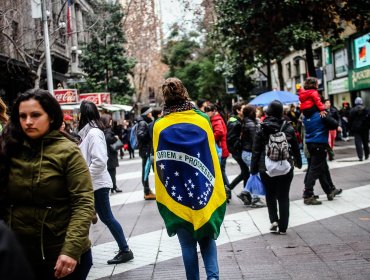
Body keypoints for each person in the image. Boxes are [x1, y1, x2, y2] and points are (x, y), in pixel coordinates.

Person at [0, 89, 94, 279]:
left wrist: (70, 250)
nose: (28, 121)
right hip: (20, 255)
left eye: (35, 115)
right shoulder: (8, 148)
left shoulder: (68, 151)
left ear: (51, 117)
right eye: (22, 116)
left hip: (61, 257)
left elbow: (83, 203)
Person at [153, 77, 226, 280]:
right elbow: (211, 156)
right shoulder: (202, 120)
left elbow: (159, 163)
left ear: (165, 98)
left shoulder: (158, 126)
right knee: (207, 239)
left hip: (177, 194)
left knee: (187, 245)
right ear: (184, 93)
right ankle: (213, 278)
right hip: (203, 190)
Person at [78, 101, 134, 264]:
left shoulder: (93, 133)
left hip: (97, 184)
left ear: (83, 114)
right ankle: (83, 251)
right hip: (95, 183)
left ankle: (125, 250)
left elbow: (100, 161)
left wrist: (84, 177)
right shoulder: (90, 133)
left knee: (106, 217)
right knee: (96, 217)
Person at [250, 100, 302, 234]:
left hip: (266, 167)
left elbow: (256, 151)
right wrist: (298, 162)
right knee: (284, 196)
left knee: (270, 194)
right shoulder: (288, 127)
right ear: (281, 112)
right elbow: (296, 148)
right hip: (285, 166)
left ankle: (273, 220)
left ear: (267, 112)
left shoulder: (261, 128)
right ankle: (283, 227)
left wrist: (253, 168)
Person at [302, 97, 342, 205]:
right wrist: (325, 114)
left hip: (310, 144)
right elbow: (334, 124)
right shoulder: (321, 115)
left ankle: (330, 190)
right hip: (319, 143)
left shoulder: (305, 116)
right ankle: (308, 195)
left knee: (322, 168)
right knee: (314, 170)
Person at [239, 105, 265, 207]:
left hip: (247, 152)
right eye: (256, 111)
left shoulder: (248, 122)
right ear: (252, 112)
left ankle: (246, 193)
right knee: (255, 174)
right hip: (250, 153)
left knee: (253, 174)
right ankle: (255, 199)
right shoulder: (251, 124)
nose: (257, 112)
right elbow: (256, 141)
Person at [226, 102, 251, 204]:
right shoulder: (234, 122)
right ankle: (242, 194)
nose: (244, 111)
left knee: (245, 173)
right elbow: (231, 139)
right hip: (237, 151)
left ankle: (245, 195)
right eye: (243, 109)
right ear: (238, 111)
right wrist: (240, 145)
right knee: (246, 172)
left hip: (237, 151)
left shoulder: (237, 121)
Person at [205, 104, 230, 201]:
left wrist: (209, 137)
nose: (207, 113)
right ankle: (227, 192)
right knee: (221, 171)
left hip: (221, 149)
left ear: (214, 110)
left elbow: (220, 132)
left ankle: (227, 191)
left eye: (208, 111)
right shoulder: (216, 119)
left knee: (221, 172)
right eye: (206, 111)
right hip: (222, 149)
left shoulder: (217, 120)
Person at [136, 105, 156, 200]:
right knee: (146, 171)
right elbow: (141, 135)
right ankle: (146, 192)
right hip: (145, 150)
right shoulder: (143, 123)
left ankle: (147, 191)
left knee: (146, 170)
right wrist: (149, 134)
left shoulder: (143, 122)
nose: (151, 114)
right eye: (150, 112)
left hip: (145, 150)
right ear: (147, 113)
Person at [101, 115, 122, 193]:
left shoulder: (102, 130)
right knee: (112, 171)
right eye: (110, 120)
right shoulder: (108, 130)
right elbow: (108, 139)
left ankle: (113, 186)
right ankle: (113, 187)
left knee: (110, 171)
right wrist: (115, 138)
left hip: (106, 153)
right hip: (110, 154)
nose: (111, 122)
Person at [349, 97, 369, 161]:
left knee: (358, 143)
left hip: (356, 128)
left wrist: (350, 128)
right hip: (365, 128)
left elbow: (350, 120)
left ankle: (360, 156)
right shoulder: (366, 109)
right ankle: (367, 154)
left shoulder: (352, 110)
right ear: (361, 102)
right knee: (365, 142)